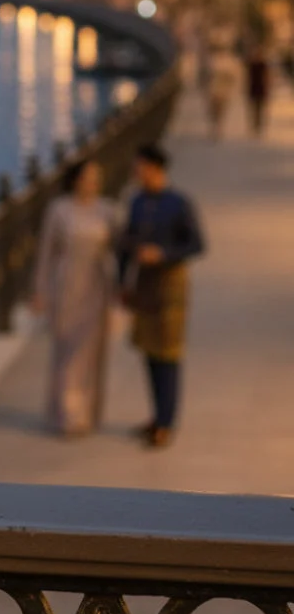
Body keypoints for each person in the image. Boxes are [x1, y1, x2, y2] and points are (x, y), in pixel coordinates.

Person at [119, 144, 205, 449]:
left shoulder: (179, 202)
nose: (136, 173)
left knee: (168, 351)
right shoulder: (138, 201)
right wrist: (122, 282)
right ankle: (156, 416)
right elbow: (125, 241)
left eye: (140, 166)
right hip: (144, 283)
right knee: (149, 349)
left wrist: (164, 253)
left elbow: (197, 244)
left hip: (170, 284)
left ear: (155, 168)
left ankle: (167, 421)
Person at [32, 160, 120, 438]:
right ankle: (66, 413)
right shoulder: (59, 210)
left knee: (90, 352)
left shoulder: (107, 210)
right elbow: (46, 252)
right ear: (75, 181)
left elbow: (120, 246)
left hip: (96, 286)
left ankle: (86, 411)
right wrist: (40, 290)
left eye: (97, 178)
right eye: (88, 178)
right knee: (67, 351)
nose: (93, 183)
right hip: (67, 284)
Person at [245, 46, 270, 137]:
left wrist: (268, 86)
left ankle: (258, 125)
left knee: (260, 108)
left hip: (261, 89)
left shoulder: (263, 64)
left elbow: (267, 76)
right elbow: (248, 77)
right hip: (253, 88)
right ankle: (254, 125)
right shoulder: (252, 65)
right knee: (254, 108)